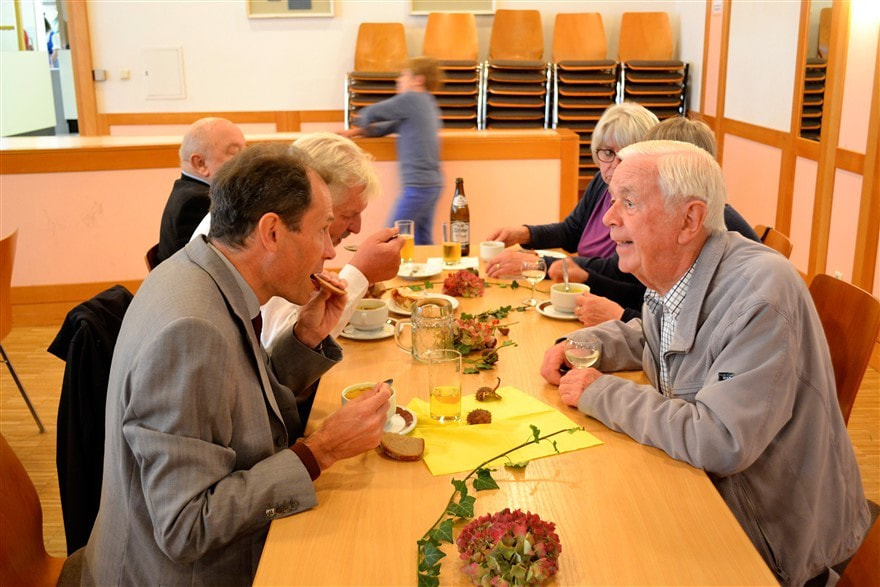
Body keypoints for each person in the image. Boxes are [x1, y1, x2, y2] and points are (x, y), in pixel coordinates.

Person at [540, 140, 870, 586]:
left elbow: (720, 439)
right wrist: (585, 344)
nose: (609, 218)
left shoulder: (761, 294)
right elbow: (657, 338)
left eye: (628, 203)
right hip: (706, 490)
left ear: (689, 220)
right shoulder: (678, 269)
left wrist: (599, 390)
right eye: (614, 200)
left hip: (767, 545)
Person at [81, 143, 393, 585]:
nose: (329, 251)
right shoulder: (191, 330)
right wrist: (321, 451)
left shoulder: (203, 270)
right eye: (323, 230)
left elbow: (237, 399)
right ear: (272, 232)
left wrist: (304, 339)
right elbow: (187, 526)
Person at [191, 133, 404, 344]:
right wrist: (360, 273)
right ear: (316, 198)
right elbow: (276, 343)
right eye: (348, 215)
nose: (357, 228)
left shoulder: (252, 216)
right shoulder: (264, 240)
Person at [554, 117, 761, 326]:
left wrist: (621, 316)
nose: (608, 218)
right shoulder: (666, 270)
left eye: (630, 203)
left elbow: (692, 332)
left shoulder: (719, 235)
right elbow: (655, 311)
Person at [485, 102, 659, 278]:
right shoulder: (601, 182)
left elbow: (616, 269)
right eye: (608, 153)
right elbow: (571, 232)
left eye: (624, 155)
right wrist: (523, 234)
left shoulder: (646, 202)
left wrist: (537, 264)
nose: (615, 165)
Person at [341, 56, 443, 245]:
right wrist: (356, 133)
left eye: (404, 75)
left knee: (389, 237)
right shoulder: (426, 102)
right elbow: (389, 126)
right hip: (431, 185)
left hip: (418, 186)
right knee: (422, 240)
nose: (398, 80)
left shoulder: (411, 99)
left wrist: (361, 121)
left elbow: (371, 113)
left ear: (418, 80)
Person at [156, 117, 246, 264]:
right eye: (234, 152)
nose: (247, 161)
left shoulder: (186, 191)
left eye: (246, 151)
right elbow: (213, 265)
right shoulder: (197, 202)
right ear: (200, 163)